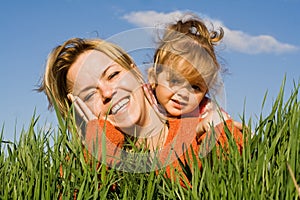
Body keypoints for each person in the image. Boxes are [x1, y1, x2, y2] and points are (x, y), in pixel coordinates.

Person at [38, 36, 243, 186]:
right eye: (89, 95)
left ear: (134, 70)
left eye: (113, 75)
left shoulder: (205, 131)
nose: (108, 92)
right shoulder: (92, 164)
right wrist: (100, 139)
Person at [147, 15, 244, 183]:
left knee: (226, 132)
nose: (184, 93)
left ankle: (220, 182)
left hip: (196, 165)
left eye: (195, 87)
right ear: (153, 77)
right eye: (175, 81)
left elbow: (220, 126)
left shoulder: (204, 109)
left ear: (206, 90)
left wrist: (235, 133)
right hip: (159, 162)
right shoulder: (145, 99)